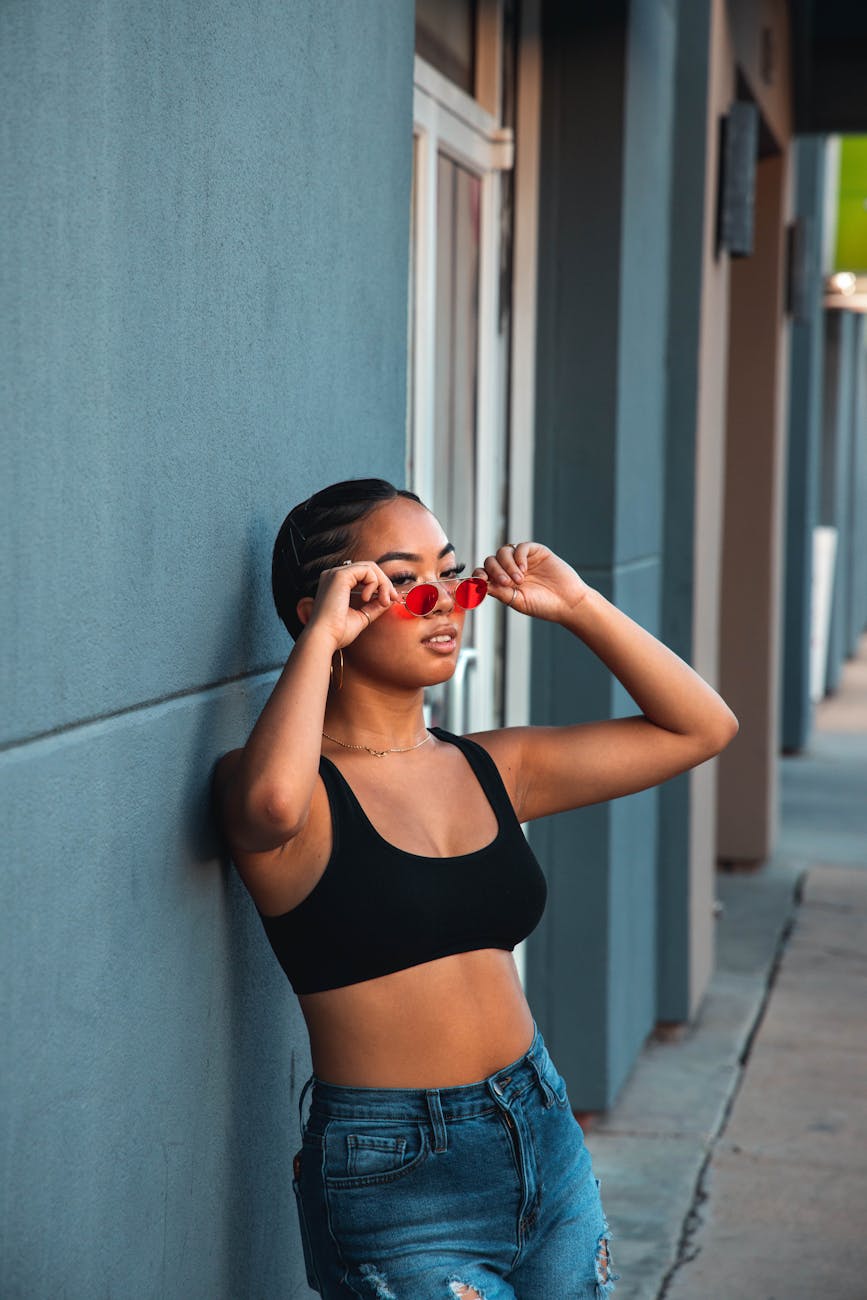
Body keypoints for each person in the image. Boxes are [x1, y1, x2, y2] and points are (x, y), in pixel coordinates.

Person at [214, 477, 738, 1298]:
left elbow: (702, 727)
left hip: (541, 1124)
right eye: (402, 582)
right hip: (396, 1174)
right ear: (329, 605)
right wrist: (320, 639)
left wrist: (577, 605)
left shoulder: (496, 766)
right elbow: (271, 806)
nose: (442, 604)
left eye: (451, 578)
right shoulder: (278, 785)